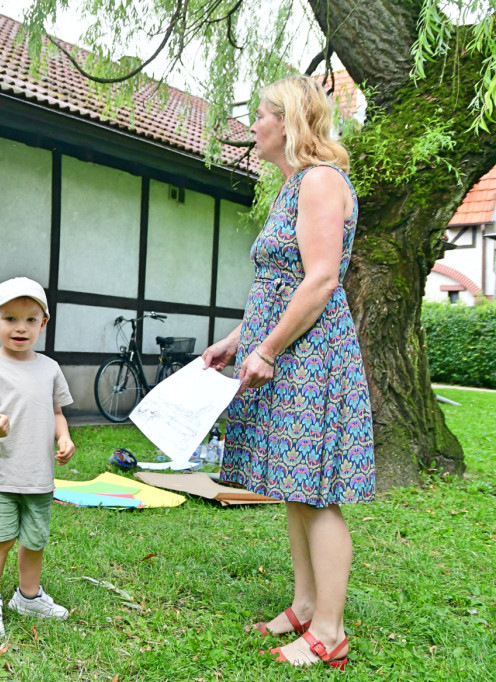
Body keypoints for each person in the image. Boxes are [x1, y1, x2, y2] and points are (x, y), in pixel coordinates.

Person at [202, 75, 374, 670]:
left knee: (319, 493)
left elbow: (321, 279)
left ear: (290, 120)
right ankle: (305, 606)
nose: (254, 125)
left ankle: (329, 630)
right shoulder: (292, 187)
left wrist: (268, 349)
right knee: (298, 490)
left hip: (311, 356)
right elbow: (275, 288)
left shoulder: (322, 181)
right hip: (286, 346)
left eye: (262, 114)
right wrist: (236, 341)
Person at [0, 277, 75, 637]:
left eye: (30, 320)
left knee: (34, 540)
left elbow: (56, 412)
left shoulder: (50, 368)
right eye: (10, 319)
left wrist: (65, 435)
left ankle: (28, 595)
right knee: (0, 539)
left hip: (38, 476)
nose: (20, 328)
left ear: (43, 323)